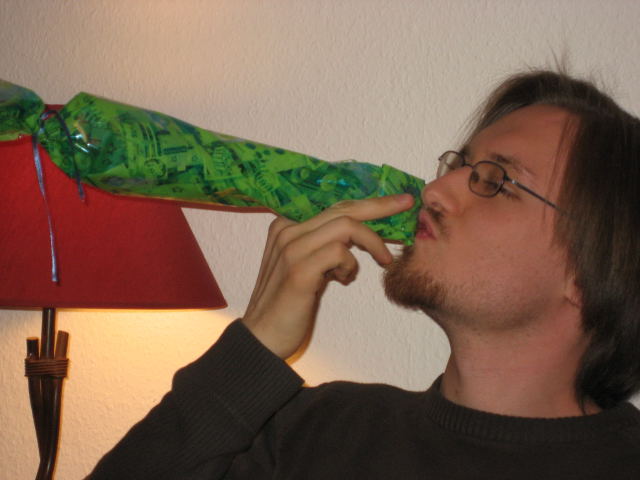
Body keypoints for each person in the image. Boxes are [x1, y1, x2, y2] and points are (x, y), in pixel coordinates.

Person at [88, 70, 640, 479]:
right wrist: (255, 346)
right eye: (459, 165)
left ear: (591, 271)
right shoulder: (314, 432)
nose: (434, 191)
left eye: (495, 181)